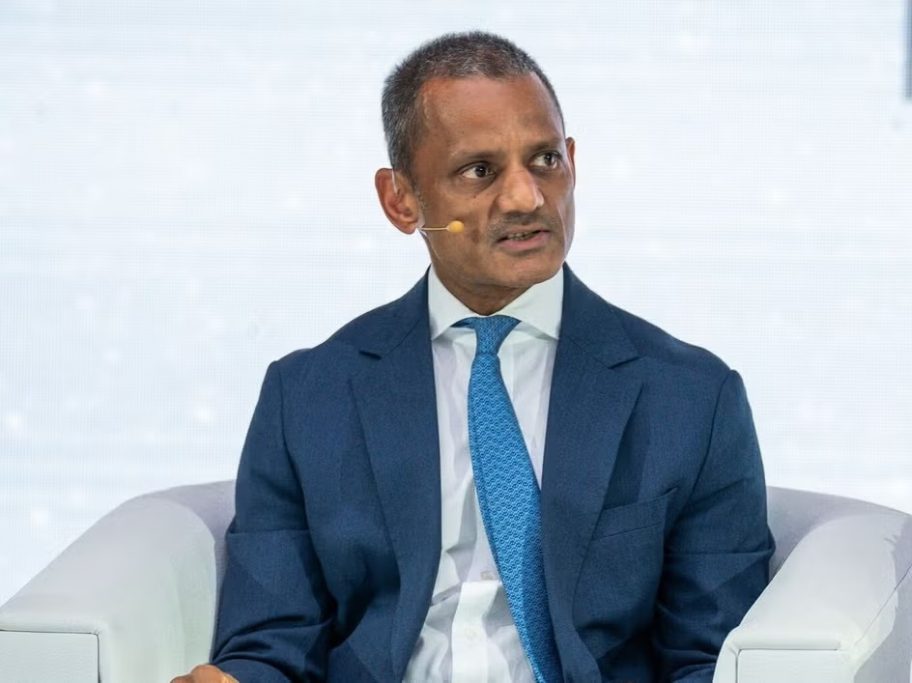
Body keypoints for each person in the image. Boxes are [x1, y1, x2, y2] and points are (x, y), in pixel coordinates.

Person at [173, 31, 774, 683]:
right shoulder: (310, 396)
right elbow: (272, 641)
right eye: (481, 170)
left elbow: (711, 659)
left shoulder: (690, 399)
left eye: (545, 160)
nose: (526, 198)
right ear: (401, 199)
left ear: (573, 161)